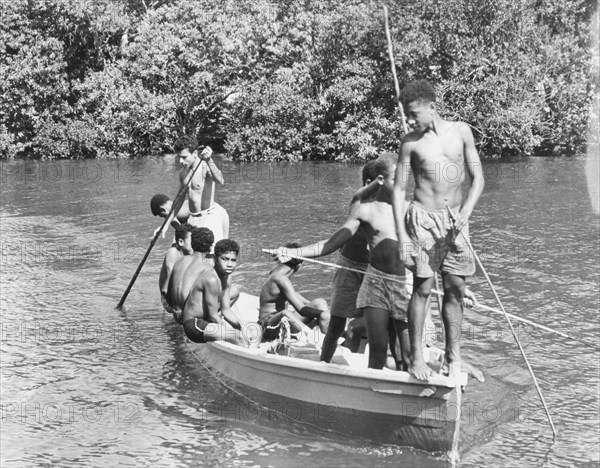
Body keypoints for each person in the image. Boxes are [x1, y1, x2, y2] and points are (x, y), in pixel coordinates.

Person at [392, 79, 485, 381]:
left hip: (456, 221)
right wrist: (403, 238)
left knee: (455, 290)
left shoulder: (461, 133)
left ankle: (452, 358)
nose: (409, 120)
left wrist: (466, 212)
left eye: (413, 113)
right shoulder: (410, 142)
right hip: (422, 221)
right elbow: (397, 191)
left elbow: (478, 179)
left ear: (432, 108)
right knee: (422, 289)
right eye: (406, 114)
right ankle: (416, 357)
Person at [267, 159, 381, 362]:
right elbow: (331, 244)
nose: (398, 186)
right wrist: (295, 252)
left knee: (370, 325)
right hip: (351, 269)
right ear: (373, 182)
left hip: (376, 273)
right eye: (391, 180)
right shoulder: (360, 204)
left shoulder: (396, 204)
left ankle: (372, 363)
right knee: (338, 324)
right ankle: (327, 364)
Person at [179, 239, 258, 347]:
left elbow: (226, 310)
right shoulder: (211, 279)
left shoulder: (227, 277)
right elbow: (213, 316)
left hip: (208, 321)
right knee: (238, 336)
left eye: (233, 260)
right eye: (225, 259)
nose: (229, 264)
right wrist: (229, 331)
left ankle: (252, 353)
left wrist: (240, 325)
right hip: (194, 324)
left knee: (254, 330)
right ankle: (250, 355)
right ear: (215, 259)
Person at [161, 135, 229, 246]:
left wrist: (209, 160)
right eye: (179, 157)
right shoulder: (183, 173)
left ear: (195, 153)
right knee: (182, 252)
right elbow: (179, 199)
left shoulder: (205, 166)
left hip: (209, 217)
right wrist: (166, 224)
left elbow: (220, 180)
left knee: (211, 257)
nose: (181, 161)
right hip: (192, 218)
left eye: (184, 157)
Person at [259, 242, 330, 342]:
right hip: (268, 326)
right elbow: (301, 309)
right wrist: (322, 314)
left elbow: (301, 300)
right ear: (299, 266)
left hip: (280, 321)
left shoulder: (277, 273)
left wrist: (328, 314)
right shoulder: (281, 278)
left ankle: (329, 338)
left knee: (320, 302)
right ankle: (313, 336)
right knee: (285, 313)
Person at [167, 226, 215, 324]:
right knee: (232, 293)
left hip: (176, 313)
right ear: (210, 248)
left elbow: (166, 289)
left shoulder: (179, 260)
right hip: (189, 317)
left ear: (192, 245)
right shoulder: (206, 267)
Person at [159, 223, 193, 320]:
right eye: (192, 241)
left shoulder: (189, 254)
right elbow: (172, 283)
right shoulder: (173, 253)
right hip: (169, 298)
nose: (195, 244)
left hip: (179, 293)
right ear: (181, 242)